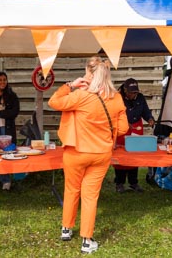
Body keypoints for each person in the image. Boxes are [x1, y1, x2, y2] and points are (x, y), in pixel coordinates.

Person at [48, 56, 129, 254]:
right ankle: (86, 240)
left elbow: (54, 101)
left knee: (71, 190)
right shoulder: (117, 97)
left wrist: (70, 85)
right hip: (101, 153)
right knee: (90, 196)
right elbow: (124, 128)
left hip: (76, 152)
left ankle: (66, 229)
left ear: (89, 74)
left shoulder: (80, 95)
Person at [114, 78, 155, 193]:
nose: (134, 95)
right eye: (132, 93)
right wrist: (124, 123)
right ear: (125, 90)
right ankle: (119, 183)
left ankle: (133, 182)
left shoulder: (140, 97)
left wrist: (150, 118)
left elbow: (145, 111)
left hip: (137, 127)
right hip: (122, 128)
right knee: (121, 155)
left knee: (134, 154)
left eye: (136, 92)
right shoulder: (118, 98)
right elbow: (114, 114)